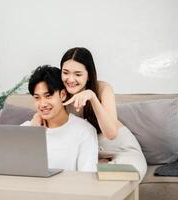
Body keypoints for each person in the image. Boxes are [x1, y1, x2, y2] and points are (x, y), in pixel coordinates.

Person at [59, 47, 147, 180]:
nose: (70, 79)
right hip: (92, 158)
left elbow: (111, 133)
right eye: (66, 73)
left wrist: (93, 98)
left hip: (123, 152)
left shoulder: (103, 89)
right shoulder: (60, 94)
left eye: (78, 74)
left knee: (116, 181)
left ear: (89, 75)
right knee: (79, 182)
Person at [21, 65, 98, 172]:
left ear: (62, 95)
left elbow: (87, 177)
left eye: (48, 96)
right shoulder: (25, 129)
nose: (42, 104)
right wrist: (33, 134)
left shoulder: (84, 132)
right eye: (37, 98)